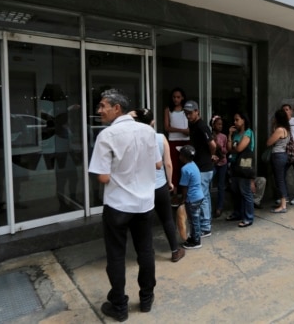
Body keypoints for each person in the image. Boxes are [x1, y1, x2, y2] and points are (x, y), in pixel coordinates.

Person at [87, 89, 158, 320]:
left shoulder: (107, 136)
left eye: (102, 106)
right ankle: (146, 298)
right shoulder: (148, 131)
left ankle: (119, 305)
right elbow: (157, 164)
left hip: (118, 206)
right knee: (145, 251)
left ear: (117, 108)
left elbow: (102, 176)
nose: (99, 111)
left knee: (116, 256)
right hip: (144, 204)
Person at [132, 108, 185, 262]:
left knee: (144, 221)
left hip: (141, 187)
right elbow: (167, 164)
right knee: (167, 219)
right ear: (153, 122)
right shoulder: (160, 138)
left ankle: (147, 253)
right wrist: (170, 182)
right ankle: (175, 251)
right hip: (160, 185)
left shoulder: (133, 139)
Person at [183, 100, 216, 238]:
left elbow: (212, 144)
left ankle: (205, 227)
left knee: (201, 197)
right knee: (205, 196)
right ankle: (206, 224)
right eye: (186, 114)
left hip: (204, 166)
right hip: (200, 166)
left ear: (197, 112)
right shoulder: (194, 125)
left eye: (190, 113)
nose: (188, 116)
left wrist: (212, 155)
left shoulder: (202, 126)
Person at [226, 112, 255, 227]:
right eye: (234, 120)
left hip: (244, 166)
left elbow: (239, 148)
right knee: (235, 191)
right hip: (234, 165)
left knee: (245, 192)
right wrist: (229, 135)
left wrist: (233, 148)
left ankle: (248, 217)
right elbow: (229, 148)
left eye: (237, 120)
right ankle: (238, 213)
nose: (235, 122)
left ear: (243, 120)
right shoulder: (236, 134)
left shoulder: (248, 132)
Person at [178, 145, 205, 249]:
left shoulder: (185, 169)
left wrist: (183, 199)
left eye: (180, 154)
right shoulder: (193, 164)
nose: (179, 156)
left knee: (193, 220)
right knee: (195, 219)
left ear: (184, 157)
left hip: (192, 198)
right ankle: (194, 237)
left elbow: (184, 186)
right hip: (199, 196)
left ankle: (196, 241)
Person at [164, 88, 189, 191]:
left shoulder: (187, 110)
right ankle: (174, 192)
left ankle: (184, 193)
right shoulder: (168, 110)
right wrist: (182, 130)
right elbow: (167, 127)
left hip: (186, 141)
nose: (176, 99)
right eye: (174, 97)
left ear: (182, 98)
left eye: (178, 97)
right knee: (173, 166)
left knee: (186, 167)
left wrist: (186, 131)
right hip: (173, 141)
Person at [266, 109, 291, 213]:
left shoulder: (280, 130)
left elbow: (269, 142)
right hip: (283, 155)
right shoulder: (286, 129)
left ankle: (283, 205)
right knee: (281, 179)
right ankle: (283, 203)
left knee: (279, 180)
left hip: (278, 155)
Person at [210, 115, 228, 218]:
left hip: (222, 163)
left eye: (221, 124)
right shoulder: (210, 135)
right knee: (208, 183)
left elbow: (226, 151)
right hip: (213, 163)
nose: (220, 126)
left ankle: (219, 207)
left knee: (221, 185)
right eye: (218, 124)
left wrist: (221, 147)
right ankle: (208, 207)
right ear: (213, 125)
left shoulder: (223, 137)